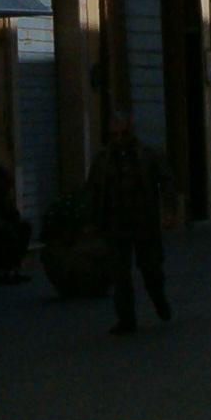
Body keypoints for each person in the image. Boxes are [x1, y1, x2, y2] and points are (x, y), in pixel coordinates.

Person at [87, 114, 172, 333]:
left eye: (122, 134)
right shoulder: (103, 160)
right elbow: (93, 191)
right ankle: (126, 319)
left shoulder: (147, 155)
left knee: (151, 269)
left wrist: (169, 211)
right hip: (116, 224)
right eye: (114, 135)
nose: (118, 138)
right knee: (119, 274)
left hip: (143, 221)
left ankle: (159, 300)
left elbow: (166, 181)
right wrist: (92, 221)